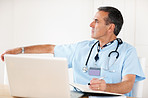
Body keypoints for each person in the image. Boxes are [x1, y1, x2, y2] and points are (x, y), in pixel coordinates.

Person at [1, 6, 145, 97]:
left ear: (110, 27)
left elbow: (128, 85)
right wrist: (19, 50)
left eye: (96, 21)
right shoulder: (82, 48)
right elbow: (51, 48)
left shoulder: (127, 51)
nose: (91, 24)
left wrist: (106, 87)